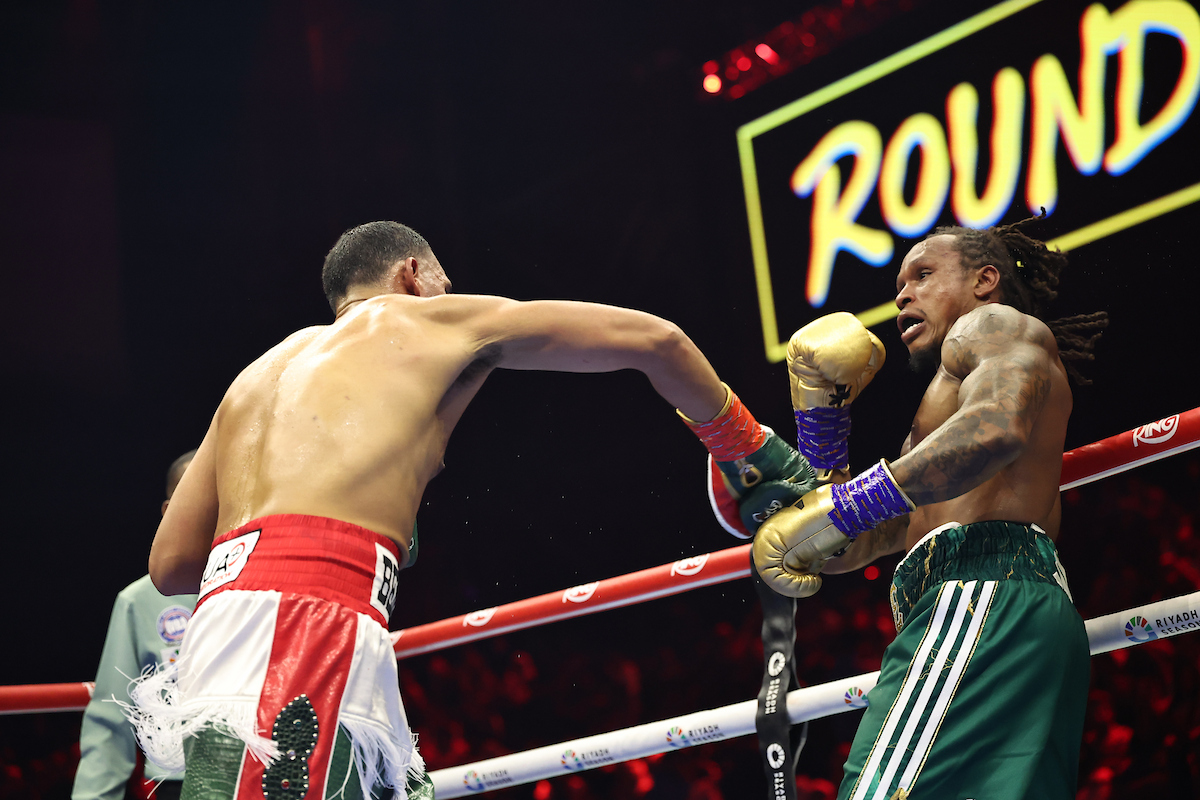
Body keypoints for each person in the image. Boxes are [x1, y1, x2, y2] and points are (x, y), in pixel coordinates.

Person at [130, 221, 818, 800]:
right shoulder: (424, 317)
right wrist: (743, 446)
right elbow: (657, 341)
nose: (450, 296)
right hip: (306, 622)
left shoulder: (257, 373)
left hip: (224, 635)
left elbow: (172, 563)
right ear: (412, 272)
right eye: (444, 281)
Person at [748, 218, 1107, 799]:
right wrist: (823, 435)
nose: (902, 294)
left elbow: (994, 429)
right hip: (995, 605)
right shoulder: (942, 406)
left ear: (985, 279)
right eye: (899, 283)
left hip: (978, 598)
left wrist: (845, 507)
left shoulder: (993, 326)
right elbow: (863, 542)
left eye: (923, 275)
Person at [74, 451, 198, 800]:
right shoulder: (140, 600)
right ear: (168, 512)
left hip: (259, 773)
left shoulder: (265, 589)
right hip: (178, 781)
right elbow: (111, 718)